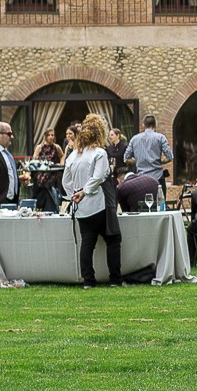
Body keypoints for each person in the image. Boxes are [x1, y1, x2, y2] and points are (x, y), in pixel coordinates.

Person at [63, 114, 121, 287]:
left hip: (81, 208)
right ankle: (115, 280)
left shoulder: (73, 156)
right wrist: (85, 191)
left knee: (87, 243)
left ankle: (88, 281)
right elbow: (99, 176)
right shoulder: (99, 153)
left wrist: (73, 195)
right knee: (113, 239)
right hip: (99, 204)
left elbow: (65, 182)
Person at [126, 114, 173, 186]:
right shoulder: (160, 137)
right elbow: (170, 157)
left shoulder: (134, 139)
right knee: (159, 197)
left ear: (143, 125)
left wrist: (139, 161)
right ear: (155, 125)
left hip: (141, 178)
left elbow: (126, 158)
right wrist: (161, 161)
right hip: (157, 177)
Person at [31, 127, 65, 212]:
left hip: (52, 173)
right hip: (41, 173)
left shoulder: (56, 147)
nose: (50, 137)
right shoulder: (40, 147)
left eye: (52, 135)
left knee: (52, 193)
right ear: (45, 136)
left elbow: (62, 156)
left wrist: (60, 164)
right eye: (49, 135)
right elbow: (34, 159)